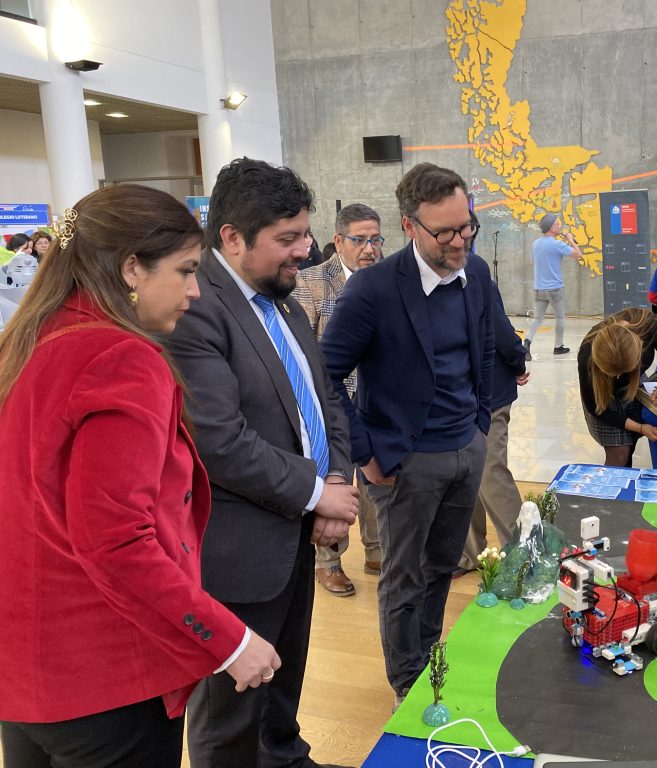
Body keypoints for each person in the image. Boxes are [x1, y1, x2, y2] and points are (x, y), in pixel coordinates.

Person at [0, 185, 280, 767]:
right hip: (103, 674)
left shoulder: (25, 343)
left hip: (22, 670)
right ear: (132, 268)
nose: (195, 291)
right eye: (185, 271)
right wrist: (229, 639)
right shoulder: (121, 358)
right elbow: (117, 541)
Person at [164, 158, 358, 768]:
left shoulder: (284, 301)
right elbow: (219, 440)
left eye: (306, 233)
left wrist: (335, 480)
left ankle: (286, 758)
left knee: (282, 682)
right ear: (232, 237)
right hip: (237, 548)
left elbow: (326, 398)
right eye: (287, 238)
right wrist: (315, 492)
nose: (305, 250)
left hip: (294, 531)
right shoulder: (195, 308)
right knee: (231, 713)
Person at [321, 162, 493, 708]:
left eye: (466, 227)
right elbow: (326, 376)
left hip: (465, 450)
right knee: (403, 577)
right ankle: (406, 685)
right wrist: (366, 454)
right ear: (409, 226)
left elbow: (485, 348)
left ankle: (426, 663)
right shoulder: (373, 290)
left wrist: (480, 426)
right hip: (403, 463)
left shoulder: (476, 272)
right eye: (445, 232)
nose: (459, 241)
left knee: (443, 568)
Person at [293, 202, 385, 595]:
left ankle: (377, 550)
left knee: (377, 477)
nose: (369, 249)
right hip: (332, 399)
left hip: (377, 399)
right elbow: (305, 350)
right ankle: (328, 562)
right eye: (359, 240)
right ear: (338, 240)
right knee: (336, 479)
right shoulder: (311, 282)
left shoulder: (387, 279)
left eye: (376, 240)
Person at [459, 281, 529, 572]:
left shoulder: (473, 276)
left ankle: (524, 553)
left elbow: (501, 330)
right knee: (463, 473)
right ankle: (469, 553)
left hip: (489, 394)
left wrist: (518, 363)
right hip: (454, 396)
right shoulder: (420, 278)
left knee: (490, 472)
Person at [578, 307, 657, 466]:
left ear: (640, 351)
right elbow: (597, 408)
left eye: (624, 371)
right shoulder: (588, 353)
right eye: (612, 374)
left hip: (634, 385)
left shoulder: (651, 327)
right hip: (601, 393)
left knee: (630, 442)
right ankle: (615, 479)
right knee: (620, 452)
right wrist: (640, 427)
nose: (619, 377)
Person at [524, 212, 580, 360]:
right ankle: (558, 346)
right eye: (557, 224)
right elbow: (578, 254)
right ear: (551, 228)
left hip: (539, 288)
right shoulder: (557, 244)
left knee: (538, 318)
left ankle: (527, 341)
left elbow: (533, 263)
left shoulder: (535, 244)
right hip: (555, 288)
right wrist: (570, 240)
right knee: (560, 317)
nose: (559, 226)